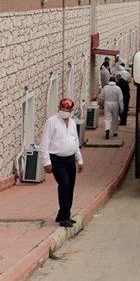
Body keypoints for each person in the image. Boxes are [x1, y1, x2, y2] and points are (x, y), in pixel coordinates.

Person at [39, 98, 83, 228]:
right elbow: (44, 143)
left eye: (67, 109)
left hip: (70, 159)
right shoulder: (51, 122)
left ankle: (64, 214)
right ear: (59, 108)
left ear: (71, 110)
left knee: (71, 187)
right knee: (64, 185)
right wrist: (46, 162)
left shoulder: (72, 123)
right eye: (62, 108)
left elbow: (75, 142)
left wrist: (79, 160)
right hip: (57, 159)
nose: (64, 110)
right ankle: (64, 218)